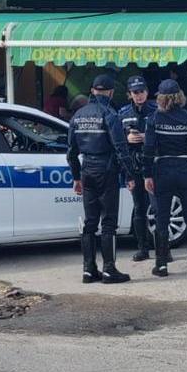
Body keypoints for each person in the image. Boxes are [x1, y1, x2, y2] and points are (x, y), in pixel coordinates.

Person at [67, 74, 131, 284]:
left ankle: (88, 270)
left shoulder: (78, 115)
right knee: (109, 222)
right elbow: (120, 148)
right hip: (107, 170)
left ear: (93, 91)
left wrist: (76, 177)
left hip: (87, 170)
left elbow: (71, 152)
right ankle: (109, 270)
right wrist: (130, 174)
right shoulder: (109, 114)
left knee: (90, 223)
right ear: (111, 92)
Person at [142, 79, 187, 277]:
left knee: (162, 218)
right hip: (185, 169)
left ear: (161, 98)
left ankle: (161, 265)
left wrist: (147, 174)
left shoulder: (153, 119)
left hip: (162, 169)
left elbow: (148, 149)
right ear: (180, 97)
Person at [118, 75, 157, 262]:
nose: (139, 95)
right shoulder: (123, 113)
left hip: (153, 166)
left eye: (142, 91)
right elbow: (116, 142)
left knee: (158, 208)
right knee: (139, 208)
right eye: (135, 92)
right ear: (129, 94)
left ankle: (164, 249)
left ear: (147, 92)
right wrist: (127, 139)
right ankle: (143, 249)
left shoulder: (157, 111)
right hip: (133, 166)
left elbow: (165, 138)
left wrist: (146, 137)